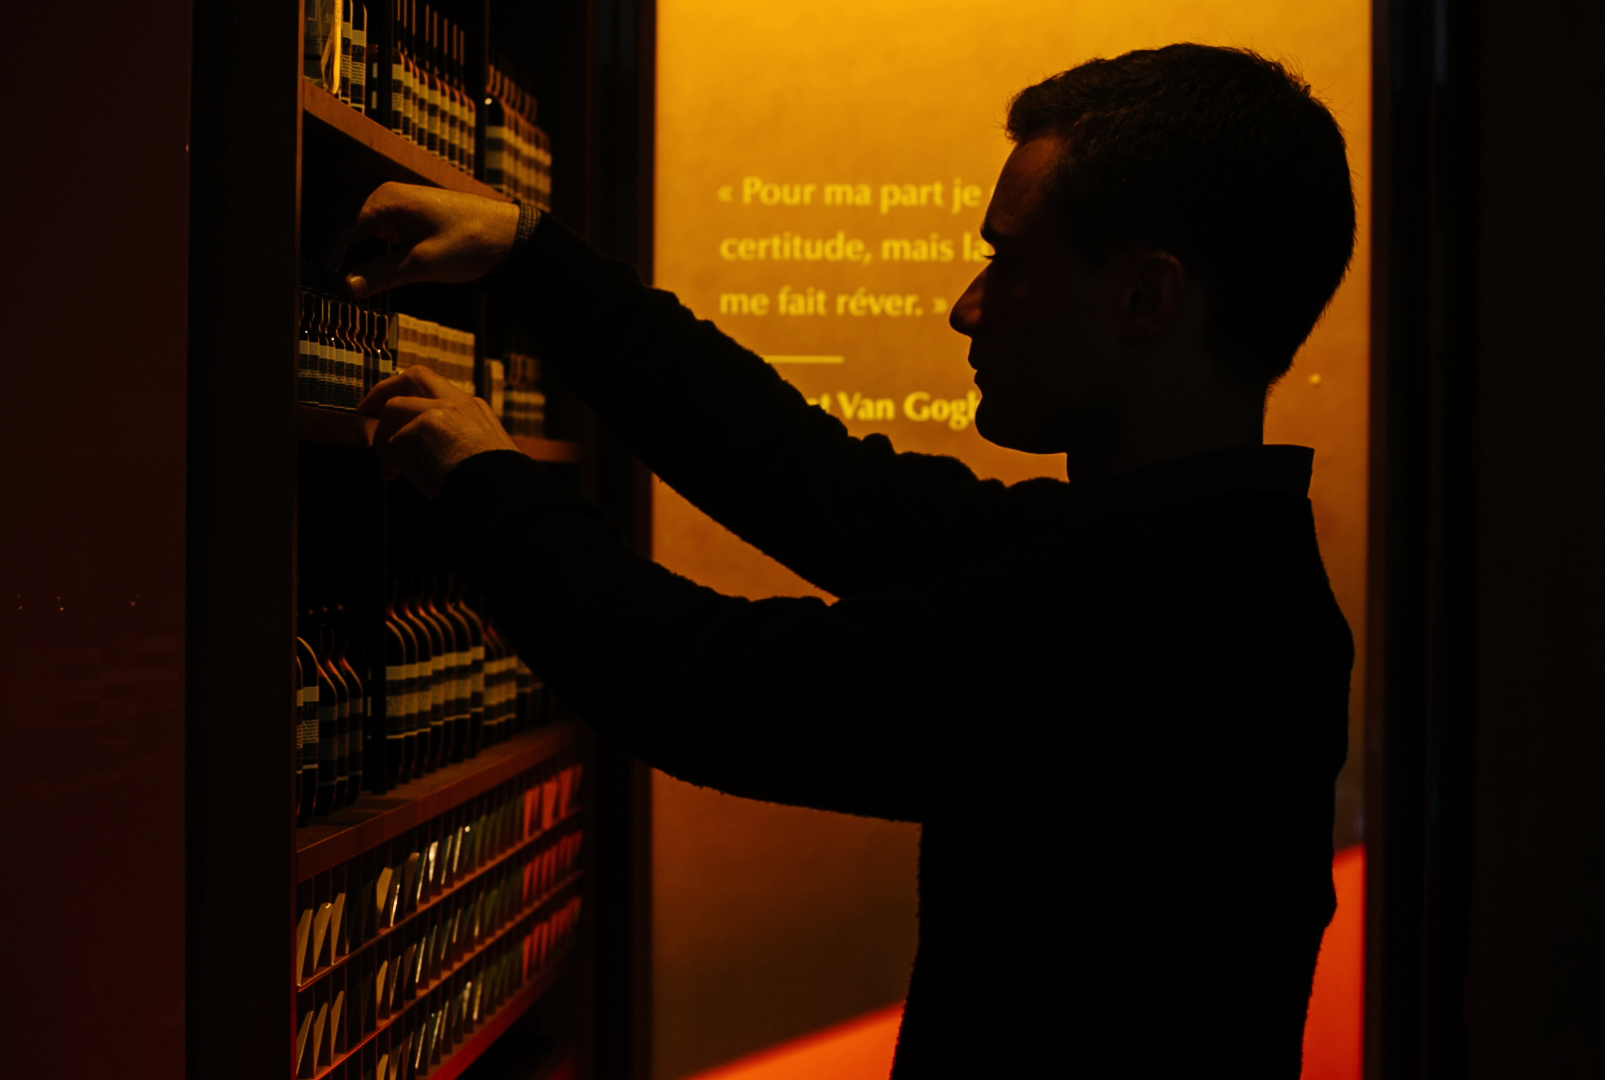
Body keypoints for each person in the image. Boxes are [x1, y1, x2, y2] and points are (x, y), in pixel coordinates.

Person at [344, 43, 1356, 1078]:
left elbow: (710, 684)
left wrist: (487, 480)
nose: (968, 305)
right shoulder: (1186, 559)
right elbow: (812, 478)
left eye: (1009, 261)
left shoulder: (1175, 618)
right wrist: (529, 256)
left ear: (1146, 298)